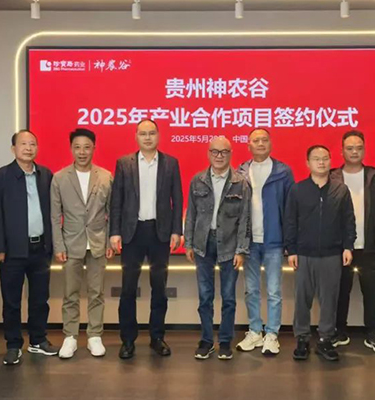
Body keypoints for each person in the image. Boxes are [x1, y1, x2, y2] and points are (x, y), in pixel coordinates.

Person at [110, 119, 184, 359]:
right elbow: (117, 200)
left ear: (158, 136)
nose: (148, 137)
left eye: (152, 133)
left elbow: (177, 199)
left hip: (160, 232)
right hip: (132, 233)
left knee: (159, 288)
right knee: (128, 288)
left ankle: (157, 337)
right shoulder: (124, 163)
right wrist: (114, 232)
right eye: (143, 133)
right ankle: (127, 340)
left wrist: (176, 230)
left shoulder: (171, 163)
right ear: (136, 136)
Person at [0, 130, 57, 366]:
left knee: (40, 299)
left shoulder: (46, 175)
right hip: (12, 251)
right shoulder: (1, 176)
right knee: (12, 301)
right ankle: (13, 345)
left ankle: (38, 340)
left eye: (32, 144)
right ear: (13, 149)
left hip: (41, 248)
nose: (28, 148)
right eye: (23, 144)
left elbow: (54, 211)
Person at [285, 145, 355, 362]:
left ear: (331, 161)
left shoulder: (340, 190)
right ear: (308, 163)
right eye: (316, 159)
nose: (321, 162)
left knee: (329, 299)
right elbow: (290, 221)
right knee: (302, 299)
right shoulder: (298, 190)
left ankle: (325, 339)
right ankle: (302, 339)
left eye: (325, 158)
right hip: (304, 254)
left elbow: (348, 221)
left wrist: (348, 246)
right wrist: (291, 250)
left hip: (332, 254)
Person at [185, 136, 251, 360]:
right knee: (205, 297)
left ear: (231, 154)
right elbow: (191, 214)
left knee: (228, 298)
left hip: (230, 246)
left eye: (224, 152)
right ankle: (206, 341)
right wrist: (189, 243)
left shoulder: (241, 182)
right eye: (215, 151)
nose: (219, 156)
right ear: (208, 153)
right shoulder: (198, 180)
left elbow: (245, 219)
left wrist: (241, 250)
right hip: (202, 244)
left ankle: (224, 341)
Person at [51, 128, 114, 359]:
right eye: (77, 147)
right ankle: (70, 336)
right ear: (71, 149)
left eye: (87, 147)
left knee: (97, 292)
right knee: (70, 293)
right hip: (70, 243)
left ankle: (95, 335)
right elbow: (54, 216)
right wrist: (58, 245)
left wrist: (109, 241)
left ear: (94, 148)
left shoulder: (105, 176)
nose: (82, 152)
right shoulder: (59, 178)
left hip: (98, 242)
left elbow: (112, 212)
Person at [236, 128, 294, 356]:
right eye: (256, 140)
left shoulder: (283, 172)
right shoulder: (240, 171)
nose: (260, 143)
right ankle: (254, 331)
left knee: (274, 291)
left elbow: (290, 208)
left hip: (274, 239)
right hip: (249, 241)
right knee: (251, 290)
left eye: (264, 140)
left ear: (270, 143)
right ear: (248, 145)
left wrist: (290, 241)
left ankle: (272, 334)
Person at [329, 130, 375, 354]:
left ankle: (372, 333)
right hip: (341, 246)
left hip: (369, 245)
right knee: (340, 291)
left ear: (364, 150)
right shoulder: (332, 176)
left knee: (371, 292)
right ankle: (339, 331)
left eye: (359, 148)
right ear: (342, 151)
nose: (354, 152)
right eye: (350, 148)